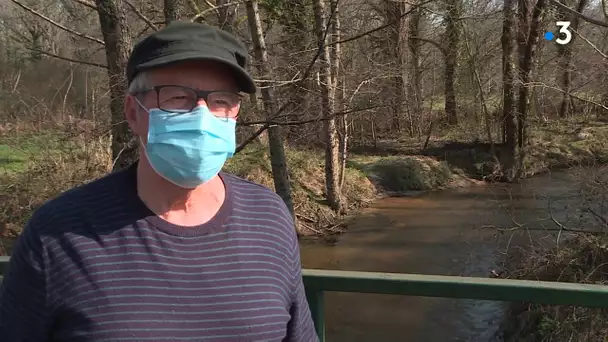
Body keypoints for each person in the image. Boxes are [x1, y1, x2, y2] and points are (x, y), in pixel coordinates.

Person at [0, 21, 318, 341]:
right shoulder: (58, 234)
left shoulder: (269, 218)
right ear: (133, 111)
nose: (201, 116)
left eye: (221, 100)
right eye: (178, 97)